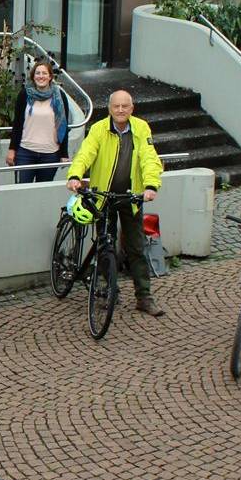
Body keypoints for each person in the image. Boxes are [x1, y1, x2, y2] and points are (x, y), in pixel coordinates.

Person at [65, 89, 165, 316]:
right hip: (104, 198)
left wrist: (151, 185)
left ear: (132, 108)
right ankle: (109, 291)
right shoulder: (99, 129)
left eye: (125, 106)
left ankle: (144, 297)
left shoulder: (141, 128)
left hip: (131, 197)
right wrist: (75, 175)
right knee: (105, 246)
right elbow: (85, 153)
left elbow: (149, 158)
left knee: (136, 248)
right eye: (116, 106)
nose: (120, 110)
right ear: (109, 108)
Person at [6, 61, 71, 184]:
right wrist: (12, 149)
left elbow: (63, 126)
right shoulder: (24, 94)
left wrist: (64, 154)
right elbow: (17, 124)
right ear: (33, 76)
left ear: (50, 77)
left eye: (44, 73)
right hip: (25, 152)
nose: (41, 76)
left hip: (50, 154)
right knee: (22, 190)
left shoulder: (60, 96)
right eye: (38, 73)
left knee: (43, 192)